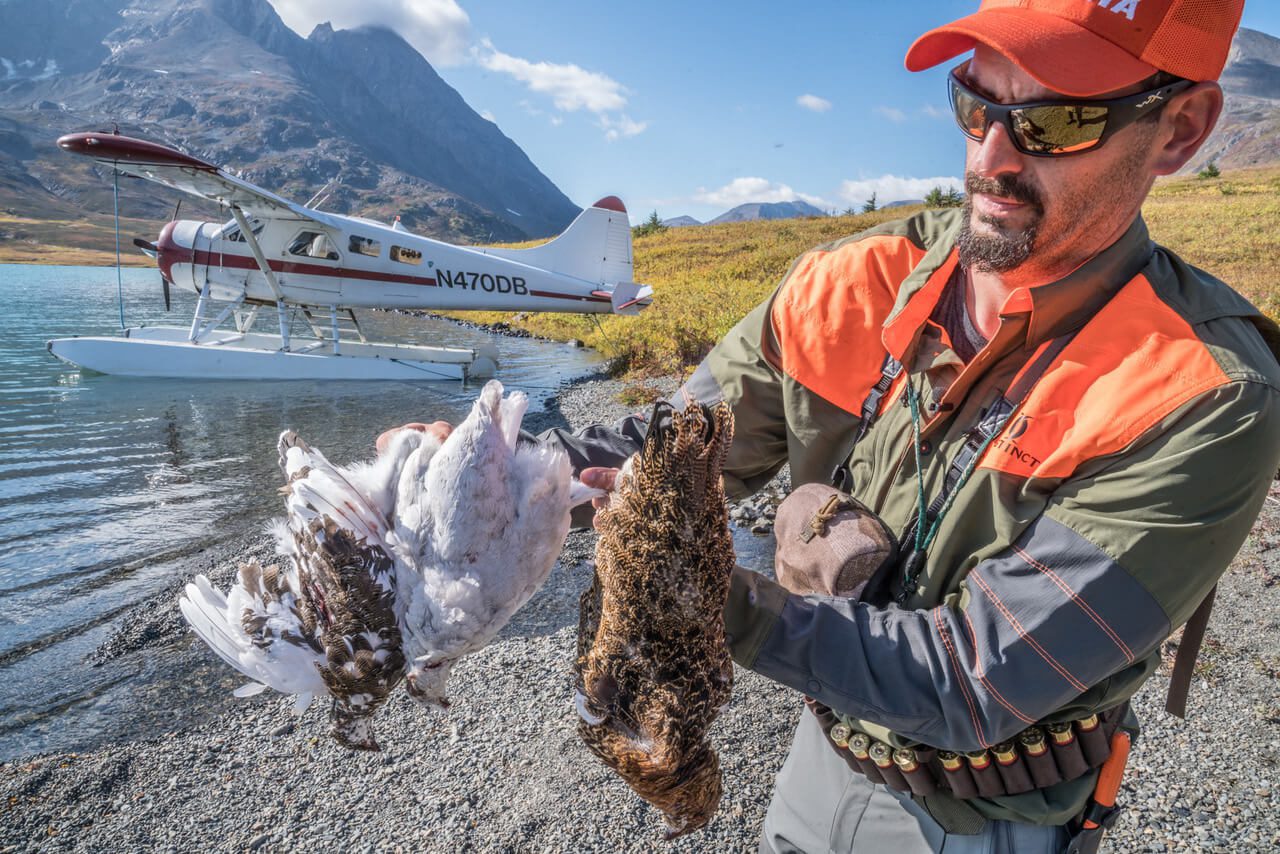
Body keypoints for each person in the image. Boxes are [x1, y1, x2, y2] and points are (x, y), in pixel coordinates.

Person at [381, 1, 1280, 850]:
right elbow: (672, 450)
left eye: (1057, 123)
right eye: (976, 104)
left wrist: (688, 592)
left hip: (990, 816)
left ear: (1182, 130)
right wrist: (503, 477)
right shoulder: (851, 282)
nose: (991, 158)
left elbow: (978, 678)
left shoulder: (1205, 395)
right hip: (824, 756)